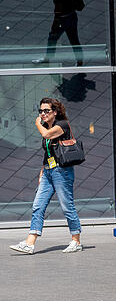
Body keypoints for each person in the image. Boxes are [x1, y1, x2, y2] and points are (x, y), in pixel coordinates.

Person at [9, 98, 83, 254]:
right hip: (49, 171)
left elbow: (48, 135)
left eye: (46, 111)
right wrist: (43, 170)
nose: (42, 114)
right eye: (41, 111)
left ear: (55, 112)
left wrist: (37, 123)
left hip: (62, 172)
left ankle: (76, 241)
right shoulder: (45, 126)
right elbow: (48, 151)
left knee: (67, 207)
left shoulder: (61, 125)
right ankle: (30, 243)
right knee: (38, 206)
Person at [33, 0, 83, 66]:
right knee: (74, 39)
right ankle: (80, 61)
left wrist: (56, 22)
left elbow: (58, 8)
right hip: (72, 16)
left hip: (62, 19)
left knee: (52, 38)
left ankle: (48, 58)